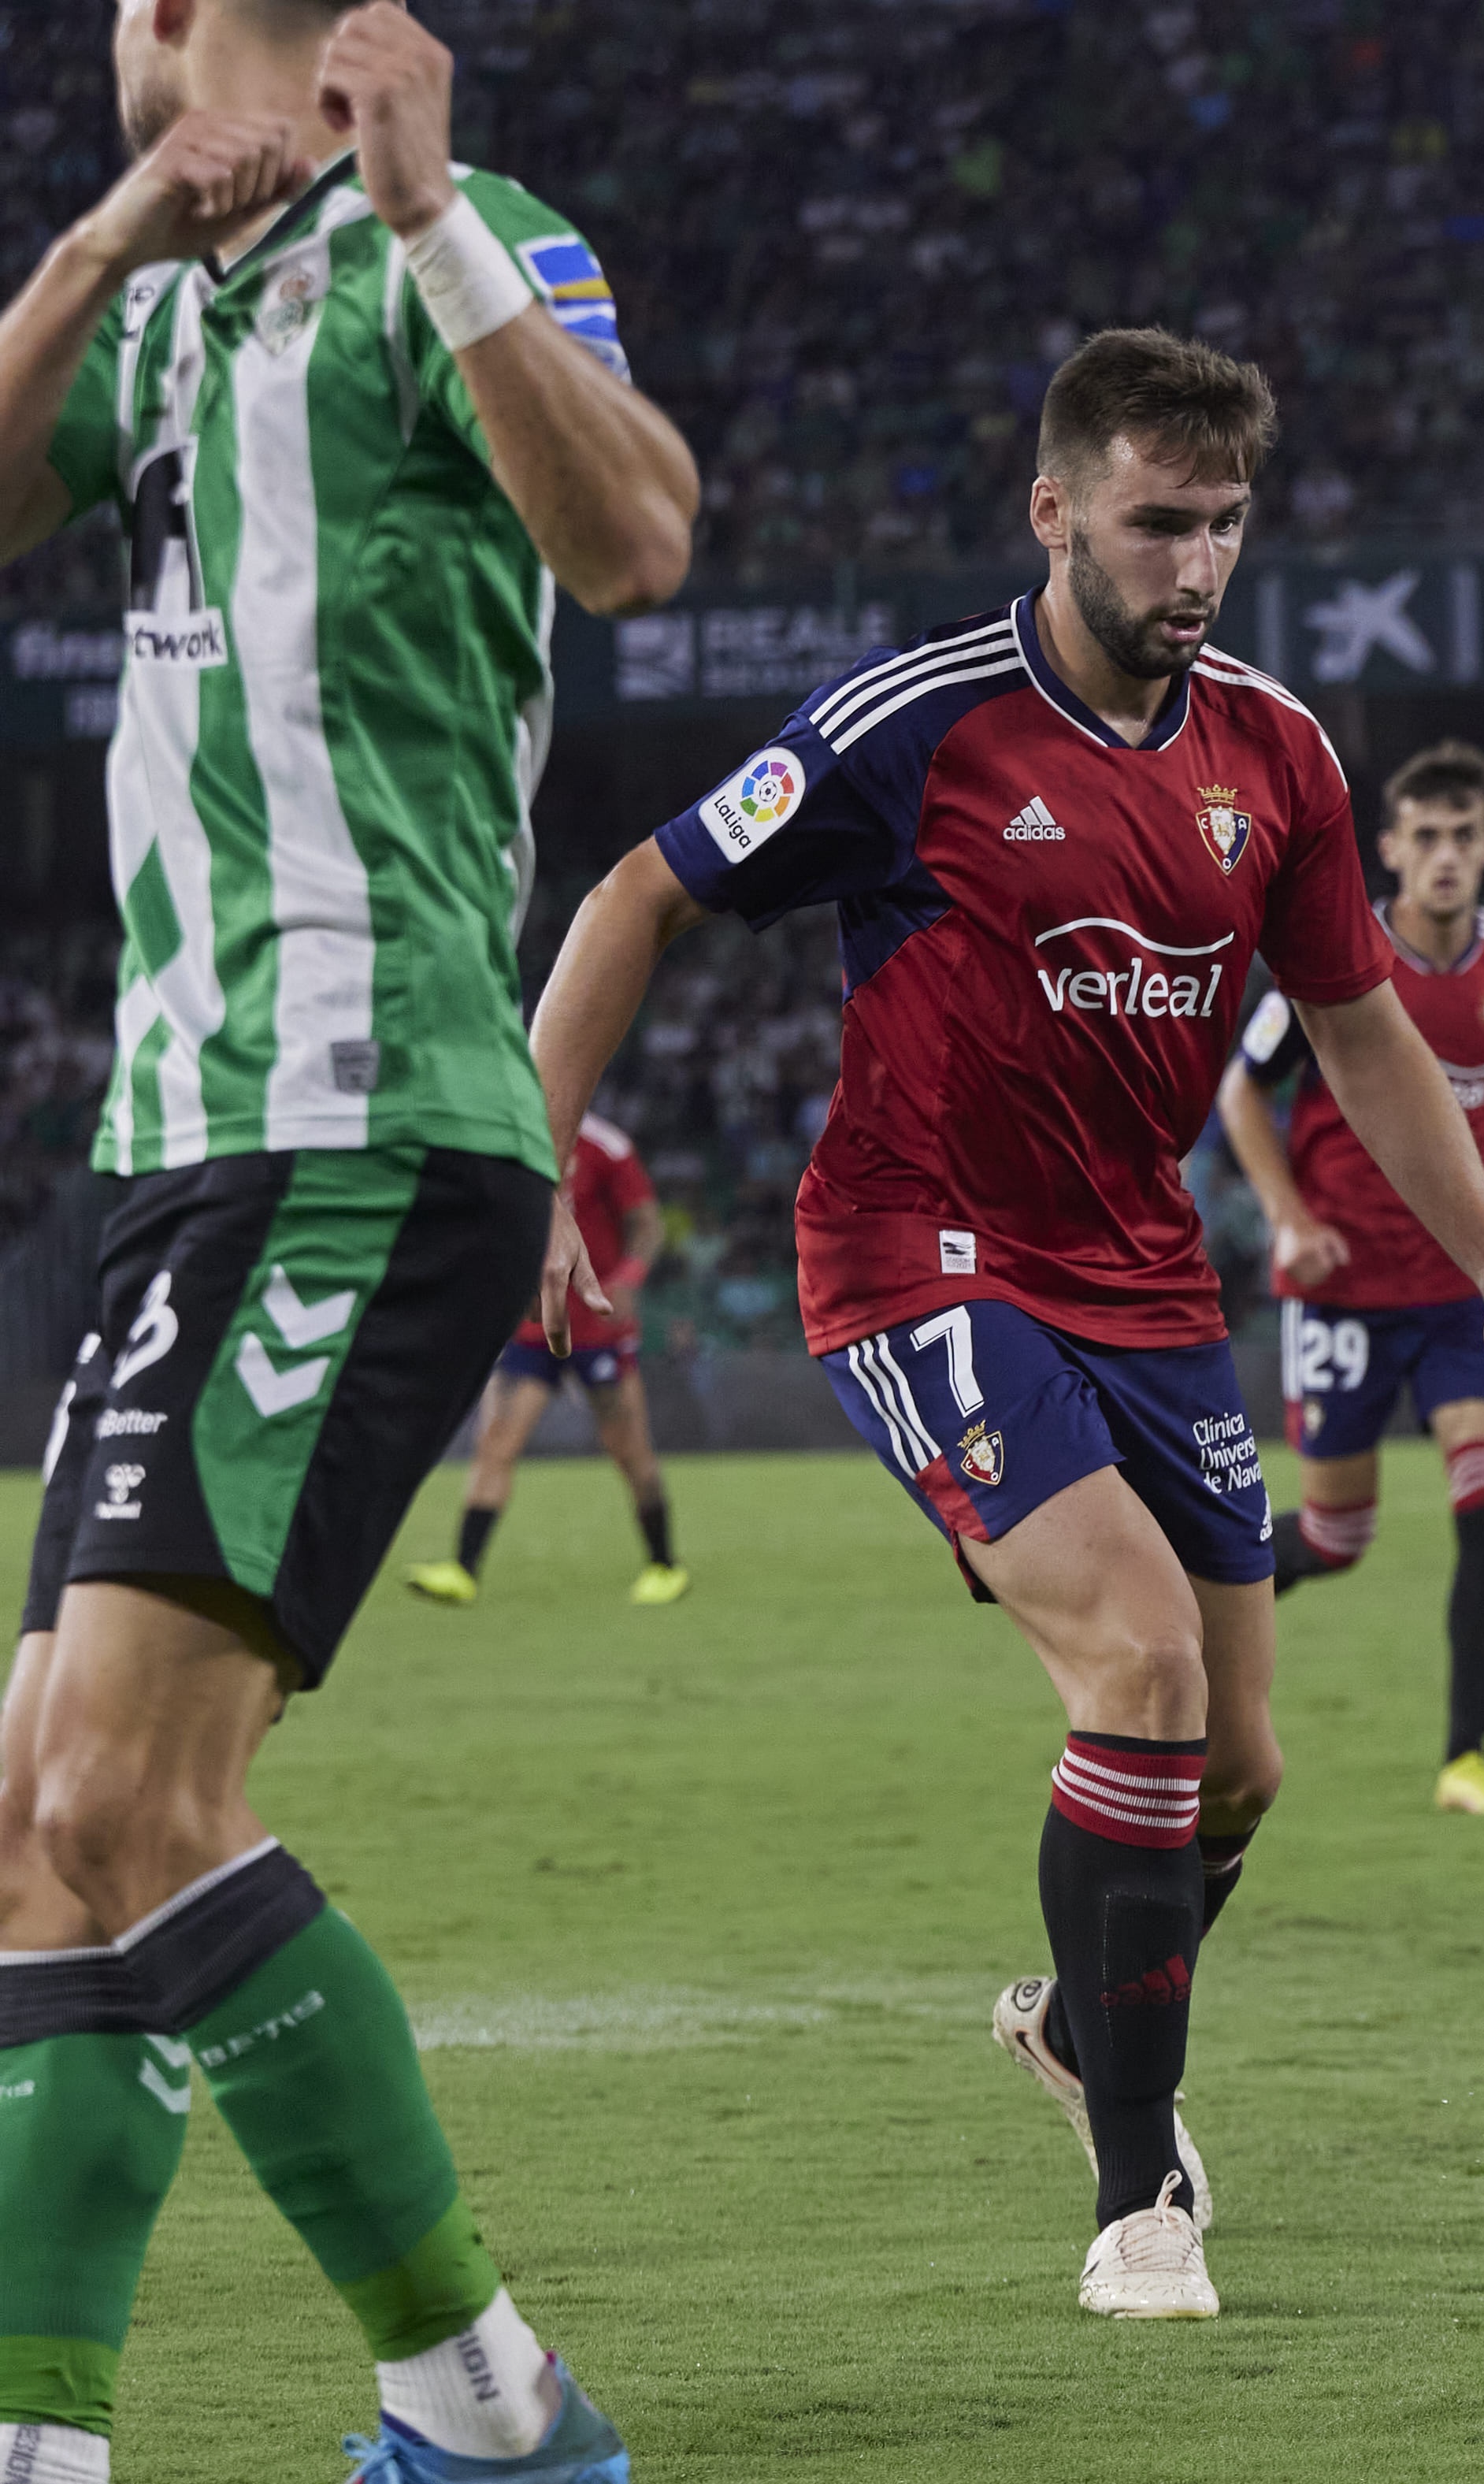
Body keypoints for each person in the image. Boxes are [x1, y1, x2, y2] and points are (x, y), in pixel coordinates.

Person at [524, 328, 1484, 2325]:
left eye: (1225, 527)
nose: (1195, 567)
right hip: (918, 1255)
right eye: (1155, 522)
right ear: (1055, 511)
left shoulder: (1274, 753)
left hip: (1146, 1283)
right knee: (1145, 1658)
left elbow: (1357, 1027)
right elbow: (631, 897)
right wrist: (530, 1160)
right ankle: (1136, 2205)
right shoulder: (915, 727)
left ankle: (1089, 2029)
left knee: (1245, 1765)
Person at [0, 3, 695, 2477]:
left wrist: (412, 210)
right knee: (39, 1813)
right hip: (179, 1134)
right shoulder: (161, 301)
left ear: (173, 14)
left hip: (362, 1109)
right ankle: (44, 2440)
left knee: (121, 1792)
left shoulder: (471, 243)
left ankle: (489, 2417)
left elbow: (633, 544)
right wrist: (99, 238)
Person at [1217, 739, 1484, 1816]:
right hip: (1340, 1293)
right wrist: (1289, 1218)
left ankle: (1465, 1758)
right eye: (1423, 837)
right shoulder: (1339, 952)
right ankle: (1190, 1599)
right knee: (1334, 1538)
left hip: (1460, 1298)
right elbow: (1243, 1093)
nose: (1444, 857)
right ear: (1387, 848)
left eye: (1462, 838)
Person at [405, 1112, 688, 1606]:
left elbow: (646, 1222)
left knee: (628, 1449)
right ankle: (462, 1570)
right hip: (530, 1327)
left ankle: (664, 1566)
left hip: (599, 1324)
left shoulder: (605, 1145)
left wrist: (630, 1275)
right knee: (496, 1444)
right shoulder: (504, 1137)